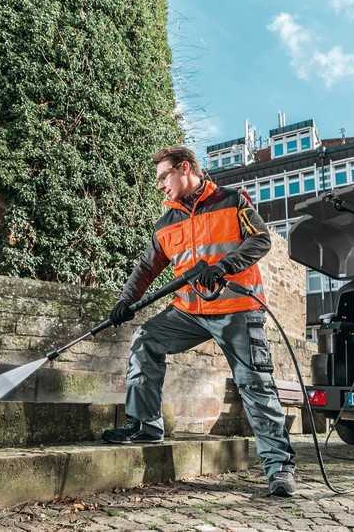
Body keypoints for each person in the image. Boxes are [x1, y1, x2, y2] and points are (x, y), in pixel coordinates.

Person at [101, 146, 296, 497]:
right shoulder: (166, 224)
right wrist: (124, 302)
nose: (160, 185)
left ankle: (279, 468)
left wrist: (223, 267)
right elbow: (146, 269)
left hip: (237, 307)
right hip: (190, 312)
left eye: (164, 177)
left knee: (254, 385)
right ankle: (146, 425)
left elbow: (261, 239)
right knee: (146, 340)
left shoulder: (232, 201)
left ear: (185, 168)